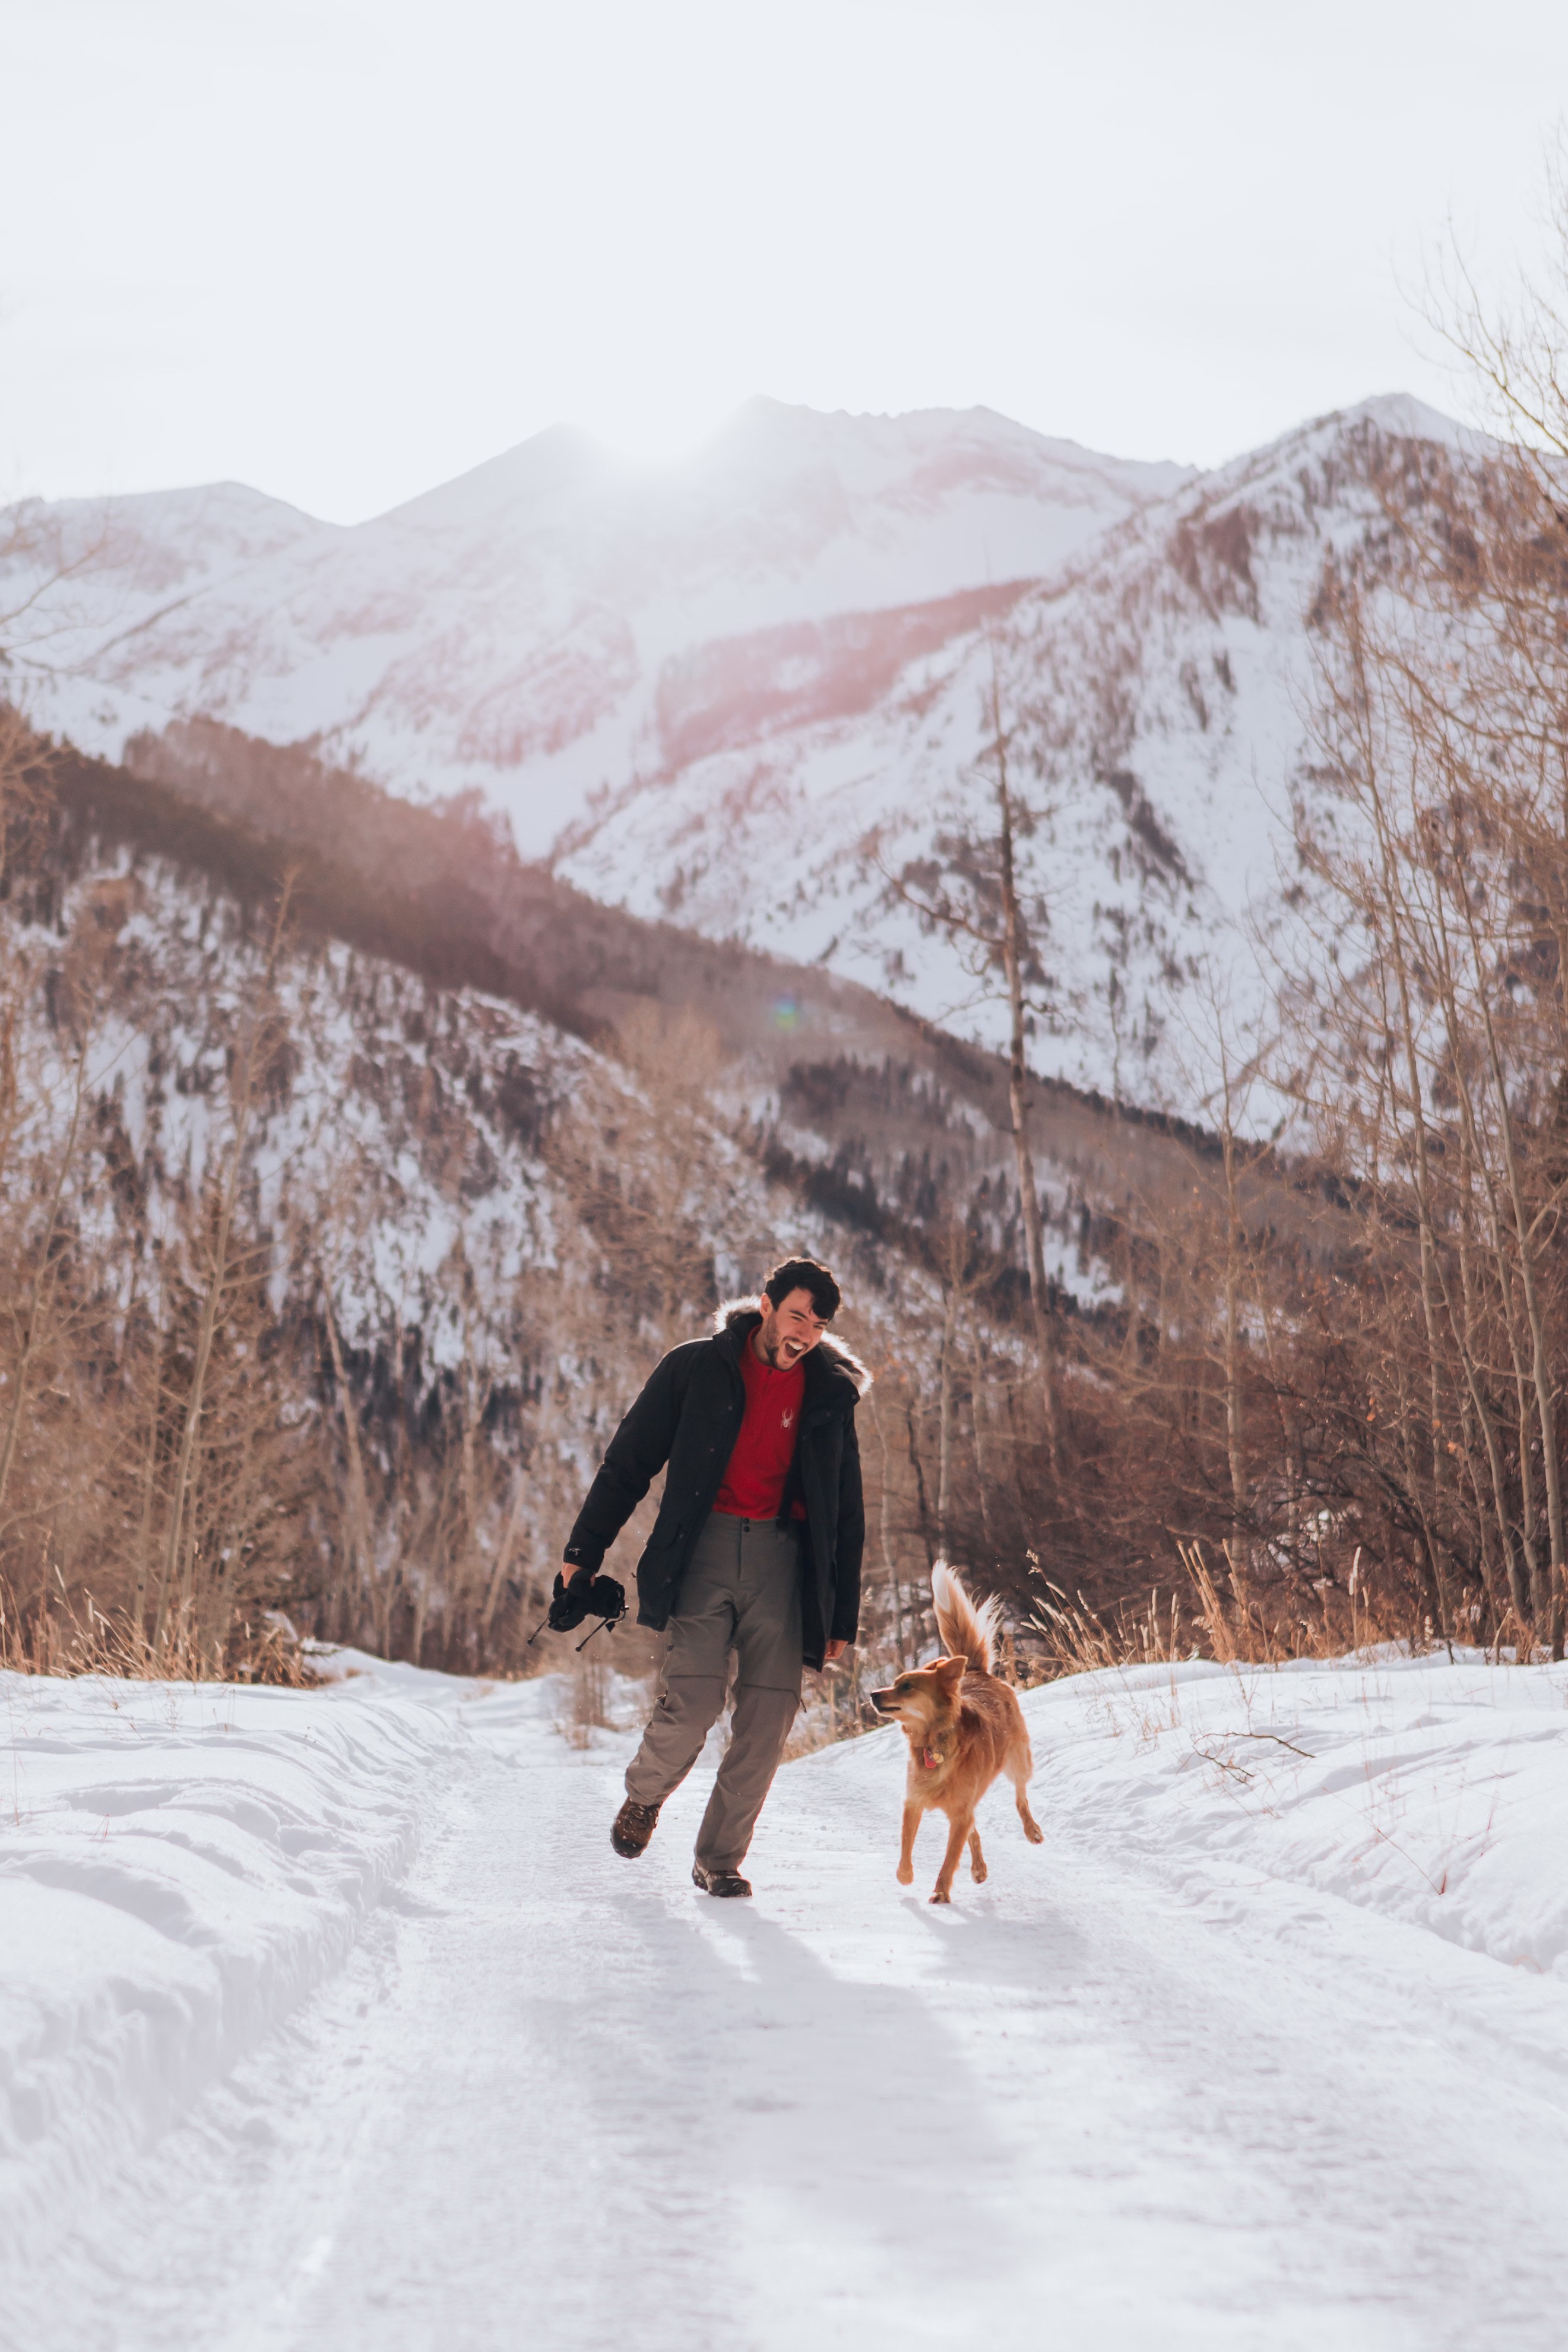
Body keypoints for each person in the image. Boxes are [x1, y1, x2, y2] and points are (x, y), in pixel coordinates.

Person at [558, 1256, 867, 1897]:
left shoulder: (830, 1394)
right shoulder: (696, 1368)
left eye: (818, 1323)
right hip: (701, 1551)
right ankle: (644, 1796)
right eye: (795, 1315)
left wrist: (841, 1617)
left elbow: (846, 1509)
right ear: (765, 1305)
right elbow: (628, 1463)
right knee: (693, 1702)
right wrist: (582, 1552)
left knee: (768, 1716)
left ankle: (719, 1859)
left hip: (783, 1563)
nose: (805, 1332)